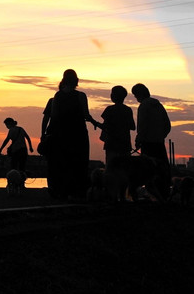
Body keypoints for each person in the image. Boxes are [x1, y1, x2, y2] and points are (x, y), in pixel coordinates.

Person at [42, 69, 99, 201]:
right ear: (76, 81)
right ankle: (77, 191)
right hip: (78, 134)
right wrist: (97, 123)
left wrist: (47, 133)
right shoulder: (80, 96)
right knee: (79, 163)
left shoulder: (57, 96)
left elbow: (54, 116)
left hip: (60, 134)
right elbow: (86, 115)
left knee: (61, 163)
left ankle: (61, 191)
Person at [132, 82, 171, 198]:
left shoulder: (144, 106)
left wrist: (139, 140)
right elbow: (167, 125)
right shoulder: (159, 105)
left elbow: (142, 126)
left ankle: (152, 194)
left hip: (148, 144)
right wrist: (160, 136)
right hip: (159, 143)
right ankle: (164, 193)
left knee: (148, 171)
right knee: (162, 170)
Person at [99, 85, 135, 169]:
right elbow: (132, 126)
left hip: (111, 144)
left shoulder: (109, 109)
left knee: (111, 168)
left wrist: (97, 124)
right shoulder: (128, 110)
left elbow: (105, 126)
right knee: (125, 169)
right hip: (125, 145)